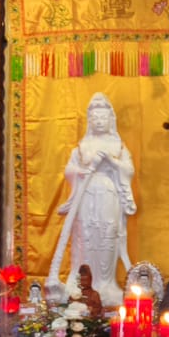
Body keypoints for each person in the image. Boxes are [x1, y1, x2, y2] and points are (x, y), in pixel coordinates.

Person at [49, 93, 136, 307]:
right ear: (90, 121)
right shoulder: (82, 145)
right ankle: (82, 285)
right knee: (85, 237)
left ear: (110, 120)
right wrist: (82, 171)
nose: (98, 122)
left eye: (102, 118)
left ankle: (105, 284)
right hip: (85, 196)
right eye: (95, 118)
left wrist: (111, 161)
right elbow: (69, 169)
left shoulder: (118, 146)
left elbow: (128, 169)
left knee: (107, 235)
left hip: (109, 194)